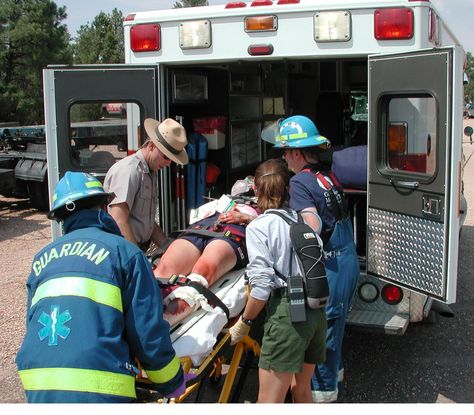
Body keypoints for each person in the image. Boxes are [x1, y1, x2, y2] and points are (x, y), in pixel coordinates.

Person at [15, 172, 185, 403]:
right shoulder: (125, 253)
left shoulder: (41, 259)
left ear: (61, 218)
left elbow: (32, 321)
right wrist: (172, 382)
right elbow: (147, 333)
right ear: (103, 208)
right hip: (100, 387)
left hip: (37, 384)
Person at [276, 115, 360, 403]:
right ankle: (333, 384)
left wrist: (286, 231)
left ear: (297, 152)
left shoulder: (299, 182)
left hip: (333, 267)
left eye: (286, 151)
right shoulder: (326, 174)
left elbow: (311, 224)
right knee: (335, 331)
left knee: (320, 338)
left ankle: (322, 399)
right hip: (348, 260)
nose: (284, 157)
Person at [228, 158, 327, 403]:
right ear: (289, 189)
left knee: (269, 402)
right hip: (315, 315)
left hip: (287, 318)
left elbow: (261, 287)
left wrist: (245, 321)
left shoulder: (259, 228)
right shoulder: (304, 222)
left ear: (255, 190)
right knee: (302, 392)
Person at [154, 189, 259, 326]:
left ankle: (158, 325)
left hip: (231, 235)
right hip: (201, 229)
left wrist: (247, 218)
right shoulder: (227, 199)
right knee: (161, 272)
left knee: (201, 274)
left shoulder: (268, 210)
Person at [104, 118, 188, 251]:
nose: (168, 163)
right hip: (122, 251)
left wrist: (168, 249)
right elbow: (118, 219)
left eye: (171, 159)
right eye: (166, 157)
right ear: (151, 146)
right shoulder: (129, 170)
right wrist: (137, 258)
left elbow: (147, 222)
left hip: (134, 249)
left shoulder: (150, 172)